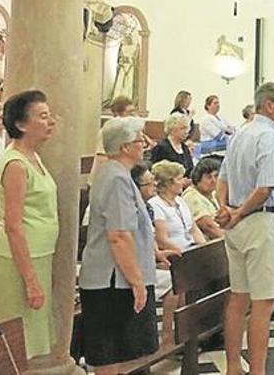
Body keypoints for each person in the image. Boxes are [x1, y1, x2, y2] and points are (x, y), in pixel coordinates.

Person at [80, 117, 172, 373]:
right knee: (111, 353)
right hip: (112, 281)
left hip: (119, 278)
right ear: (123, 147)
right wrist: (137, 282)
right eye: (138, 140)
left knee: (121, 351)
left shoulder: (119, 175)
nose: (143, 143)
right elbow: (118, 235)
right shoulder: (116, 179)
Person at [215, 82, 274, 375]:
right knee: (263, 303)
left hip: (239, 224)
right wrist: (238, 212)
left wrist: (226, 208)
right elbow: (265, 188)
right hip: (260, 221)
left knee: (238, 297)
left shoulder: (241, 132)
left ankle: (234, 366)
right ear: (269, 105)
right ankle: (257, 370)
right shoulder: (269, 136)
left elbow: (222, 179)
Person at [0, 91, 58, 359]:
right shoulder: (16, 163)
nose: (50, 121)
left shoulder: (33, 156)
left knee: (35, 334)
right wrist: (30, 280)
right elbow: (13, 225)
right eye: (42, 116)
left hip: (38, 253)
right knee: (19, 337)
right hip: (18, 258)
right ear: (20, 124)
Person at [149, 160, 205, 345]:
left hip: (189, 249)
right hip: (173, 254)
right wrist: (182, 253)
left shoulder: (180, 201)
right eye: (180, 179)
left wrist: (203, 248)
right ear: (169, 182)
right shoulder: (155, 205)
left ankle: (196, 329)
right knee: (178, 284)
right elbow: (162, 238)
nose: (184, 181)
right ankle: (170, 335)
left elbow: (193, 228)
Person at [183, 157, 224, 239]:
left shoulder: (212, 194)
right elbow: (208, 227)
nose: (214, 181)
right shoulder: (191, 196)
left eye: (216, 176)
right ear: (197, 178)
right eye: (209, 177)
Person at [151, 113, 194, 179]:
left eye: (187, 128)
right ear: (171, 129)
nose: (186, 132)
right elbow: (156, 172)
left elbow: (191, 169)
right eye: (182, 128)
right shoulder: (161, 147)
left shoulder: (184, 148)